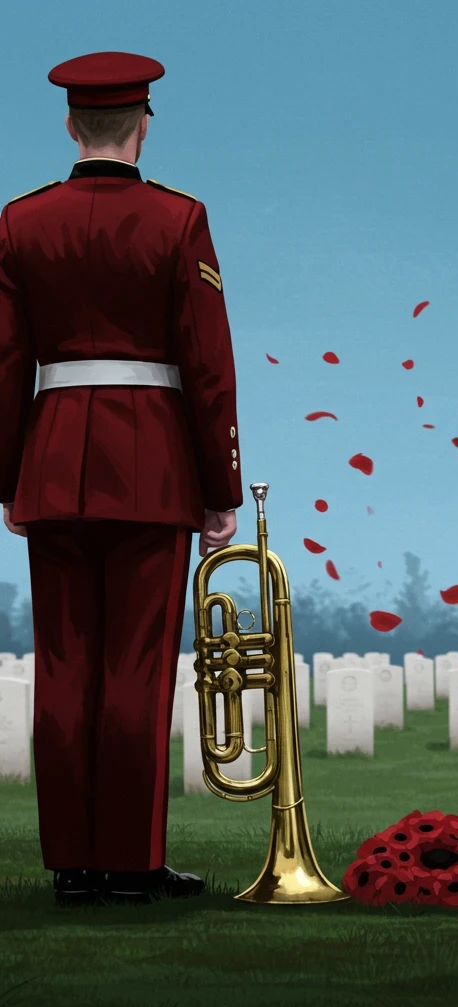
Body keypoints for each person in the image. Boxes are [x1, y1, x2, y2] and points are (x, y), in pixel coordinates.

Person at [0, 51, 243, 907]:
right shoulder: (181, 220)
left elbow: (4, 364)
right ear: (144, 124)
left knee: (65, 669)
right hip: (151, 467)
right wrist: (222, 485)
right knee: (137, 671)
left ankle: (71, 862)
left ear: (71, 126)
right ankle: (132, 864)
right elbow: (209, 368)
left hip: (55, 462)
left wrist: (8, 480)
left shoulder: (19, 222)